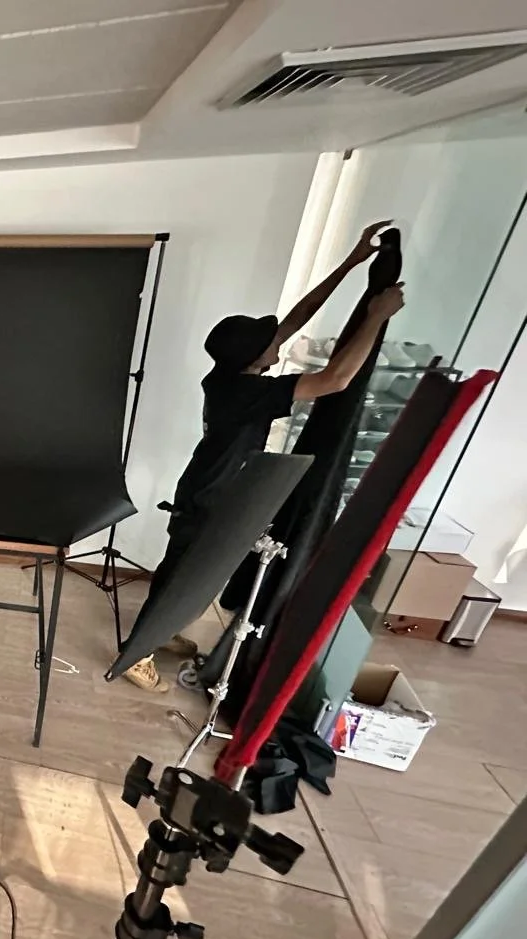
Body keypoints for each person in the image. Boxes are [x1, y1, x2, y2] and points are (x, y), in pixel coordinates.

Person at [123, 220, 406, 692]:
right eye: (271, 342)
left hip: (205, 488)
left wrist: (351, 263)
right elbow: (336, 380)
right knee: (182, 578)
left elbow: (295, 317)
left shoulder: (231, 375)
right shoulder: (248, 395)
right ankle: (139, 654)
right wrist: (375, 317)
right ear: (257, 356)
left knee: (182, 572)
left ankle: (161, 632)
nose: (280, 341)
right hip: (209, 499)